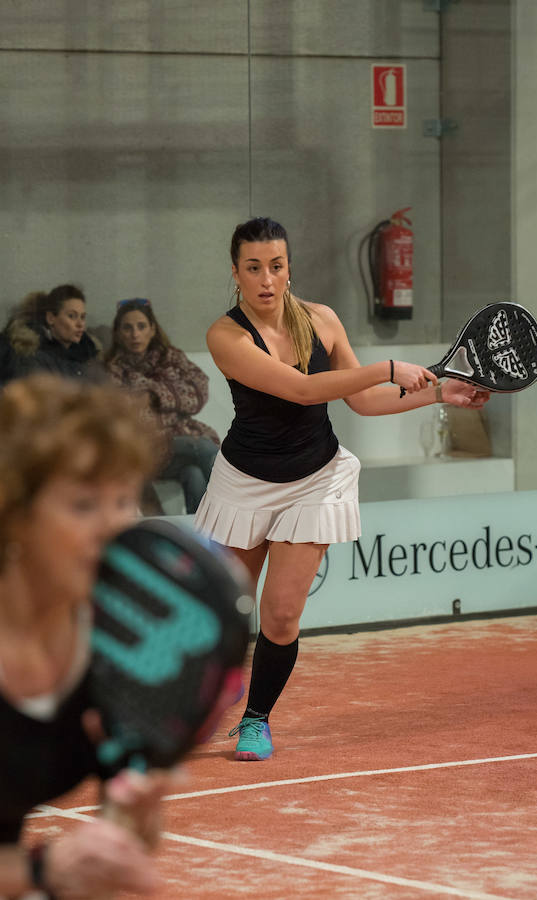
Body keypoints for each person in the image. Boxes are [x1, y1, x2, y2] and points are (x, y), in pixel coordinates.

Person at [194, 216, 490, 762]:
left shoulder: (321, 320)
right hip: (243, 482)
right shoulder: (226, 335)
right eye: (253, 268)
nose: (266, 279)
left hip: (316, 478)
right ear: (235, 273)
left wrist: (440, 393)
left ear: (290, 269)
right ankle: (211, 693)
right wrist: (387, 366)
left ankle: (256, 721)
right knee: (223, 614)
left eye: (276, 267)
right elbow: (305, 390)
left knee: (281, 615)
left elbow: (363, 401)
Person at [0, 374, 171, 898]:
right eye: (83, 504)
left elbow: (129, 836)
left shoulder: (116, 647)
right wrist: (40, 872)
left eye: (123, 501)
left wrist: (132, 815)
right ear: (14, 513)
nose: (113, 528)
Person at [104, 298, 220, 514]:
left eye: (141, 326)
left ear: (152, 329)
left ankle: (200, 539)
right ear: (118, 333)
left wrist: (155, 395)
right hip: (145, 448)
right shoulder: (114, 370)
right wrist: (175, 397)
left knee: (193, 474)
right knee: (205, 449)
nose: (135, 334)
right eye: (127, 328)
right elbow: (128, 414)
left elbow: (199, 391)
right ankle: (227, 523)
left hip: (178, 450)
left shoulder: (171, 357)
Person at [0, 284, 101, 384]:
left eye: (83, 317)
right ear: (51, 318)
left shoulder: (88, 352)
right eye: (72, 316)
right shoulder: (33, 355)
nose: (80, 324)